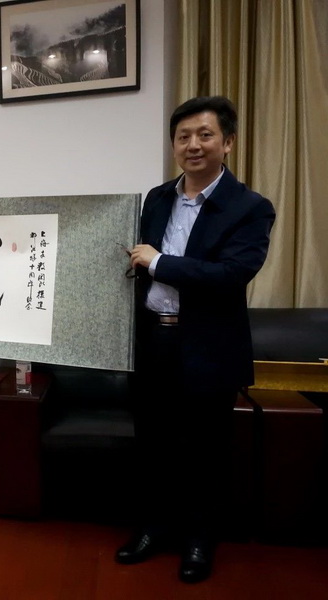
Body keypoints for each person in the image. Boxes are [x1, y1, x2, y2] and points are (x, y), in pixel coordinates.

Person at [116, 97, 275, 583]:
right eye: (183, 136)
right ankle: (153, 529)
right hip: (153, 343)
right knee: (153, 444)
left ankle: (200, 541)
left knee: (206, 451)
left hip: (208, 347)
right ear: (173, 145)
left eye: (205, 135)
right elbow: (133, 259)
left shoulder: (250, 208)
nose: (193, 145)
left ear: (228, 142)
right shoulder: (156, 198)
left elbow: (231, 274)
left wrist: (159, 262)